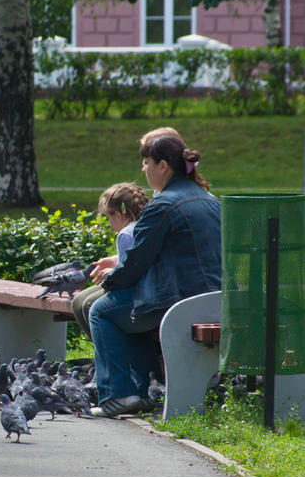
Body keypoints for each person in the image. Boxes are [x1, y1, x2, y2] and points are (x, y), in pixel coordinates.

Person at [89, 132, 222, 418]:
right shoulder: (209, 199)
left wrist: (109, 283)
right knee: (129, 308)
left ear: (163, 166)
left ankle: (118, 394)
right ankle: (143, 390)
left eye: (146, 162)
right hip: (217, 299)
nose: (143, 169)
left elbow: (136, 260)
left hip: (180, 303)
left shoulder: (162, 205)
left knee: (101, 310)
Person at [71, 182, 148, 339]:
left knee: (86, 304)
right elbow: (133, 258)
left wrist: (112, 272)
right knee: (79, 301)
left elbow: (129, 274)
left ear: (118, 215)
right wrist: (114, 260)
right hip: (132, 283)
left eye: (108, 217)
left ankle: (105, 348)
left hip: (133, 289)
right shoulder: (140, 226)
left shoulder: (125, 234)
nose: (109, 223)